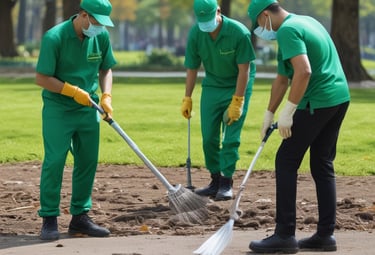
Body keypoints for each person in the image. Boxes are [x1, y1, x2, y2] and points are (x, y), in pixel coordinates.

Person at [247, 0, 350, 253]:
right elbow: (283, 78)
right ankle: (325, 236)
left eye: (258, 23)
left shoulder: (287, 31)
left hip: (318, 100)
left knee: (286, 160)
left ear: (264, 16)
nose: (260, 29)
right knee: (322, 163)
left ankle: (284, 235)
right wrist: (269, 113)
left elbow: (303, 72)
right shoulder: (307, 21)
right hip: (339, 98)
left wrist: (289, 110)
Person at [35, 0, 117, 240]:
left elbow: (106, 69)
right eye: (97, 22)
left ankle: (80, 217)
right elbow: (42, 77)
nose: (101, 27)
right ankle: (49, 218)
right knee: (55, 160)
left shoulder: (100, 37)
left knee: (87, 160)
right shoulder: (55, 37)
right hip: (58, 108)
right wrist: (72, 91)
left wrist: (107, 96)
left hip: (88, 108)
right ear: (83, 15)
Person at [181, 0, 256, 201]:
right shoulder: (196, 34)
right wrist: (187, 97)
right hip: (213, 85)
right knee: (209, 138)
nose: (206, 24)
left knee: (230, 137)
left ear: (219, 11)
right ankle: (214, 180)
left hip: (238, 85)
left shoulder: (239, 33)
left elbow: (244, 70)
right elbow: (192, 67)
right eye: (201, 20)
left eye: (209, 18)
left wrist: (238, 100)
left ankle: (226, 182)